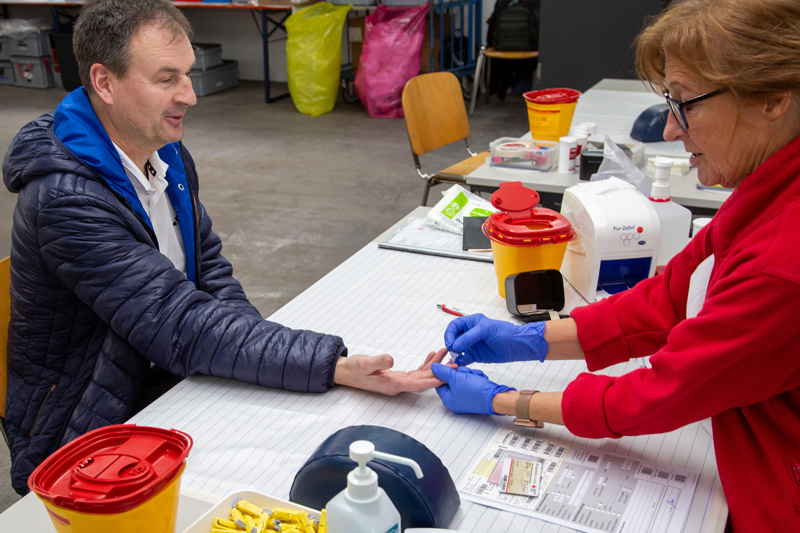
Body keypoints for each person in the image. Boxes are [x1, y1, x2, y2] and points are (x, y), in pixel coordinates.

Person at [1, 0, 444, 495]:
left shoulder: (163, 152)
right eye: (167, 79)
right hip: (85, 423)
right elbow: (179, 322)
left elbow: (207, 270)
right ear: (104, 83)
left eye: (188, 75)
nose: (189, 95)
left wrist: (262, 354)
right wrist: (329, 365)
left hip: (158, 372)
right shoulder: (66, 201)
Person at [426, 0, 800, 529]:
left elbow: (656, 396)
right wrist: (538, 338)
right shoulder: (767, 192)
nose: (671, 130)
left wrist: (509, 400)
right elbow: (671, 296)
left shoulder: (784, 261)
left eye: (687, 103)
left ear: (774, 98)